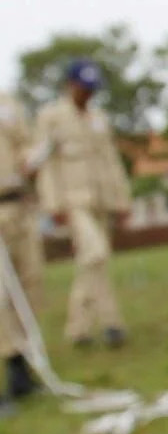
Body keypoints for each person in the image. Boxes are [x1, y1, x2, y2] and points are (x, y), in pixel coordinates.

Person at [36, 58, 131, 349]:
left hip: (101, 201)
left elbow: (111, 162)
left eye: (91, 89)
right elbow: (46, 164)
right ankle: (109, 322)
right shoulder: (51, 117)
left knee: (92, 261)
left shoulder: (99, 119)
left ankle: (84, 328)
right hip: (73, 202)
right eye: (82, 88)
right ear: (70, 85)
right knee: (96, 253)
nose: (87, 94)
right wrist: (53, 205)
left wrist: (122, 199)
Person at [0, 90, 45, 412]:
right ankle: (13, 360)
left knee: (29, 283)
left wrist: (31, 157)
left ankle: (22, 367)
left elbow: (25, 142)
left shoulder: (8, 103)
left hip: (18, 204)